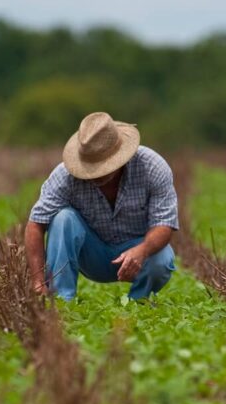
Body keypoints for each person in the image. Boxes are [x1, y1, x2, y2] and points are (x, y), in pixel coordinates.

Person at [25, 111, 178, 301]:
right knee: (63, 218)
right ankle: (61, 301)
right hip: (92, 255)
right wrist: (38, 281)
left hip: (137, 250)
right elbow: (35, 224)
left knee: (162, 258)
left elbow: (164, 224)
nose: (97, 174)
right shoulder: (65, 176)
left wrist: (142, 250)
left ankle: (139, 303)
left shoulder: (152, 167)